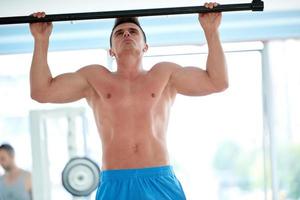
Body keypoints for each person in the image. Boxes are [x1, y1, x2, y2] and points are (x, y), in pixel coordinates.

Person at [29, 2, 228, 199]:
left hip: (158, 180)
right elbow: (42, 91)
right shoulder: (94, 78)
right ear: (111, 51)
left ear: (145, 46)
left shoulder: (165, 74)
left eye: (133, 31)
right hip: (115, 183)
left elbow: (217, 82)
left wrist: (211, 31)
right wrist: (41, 40)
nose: (126, 34)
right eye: (119, 32)